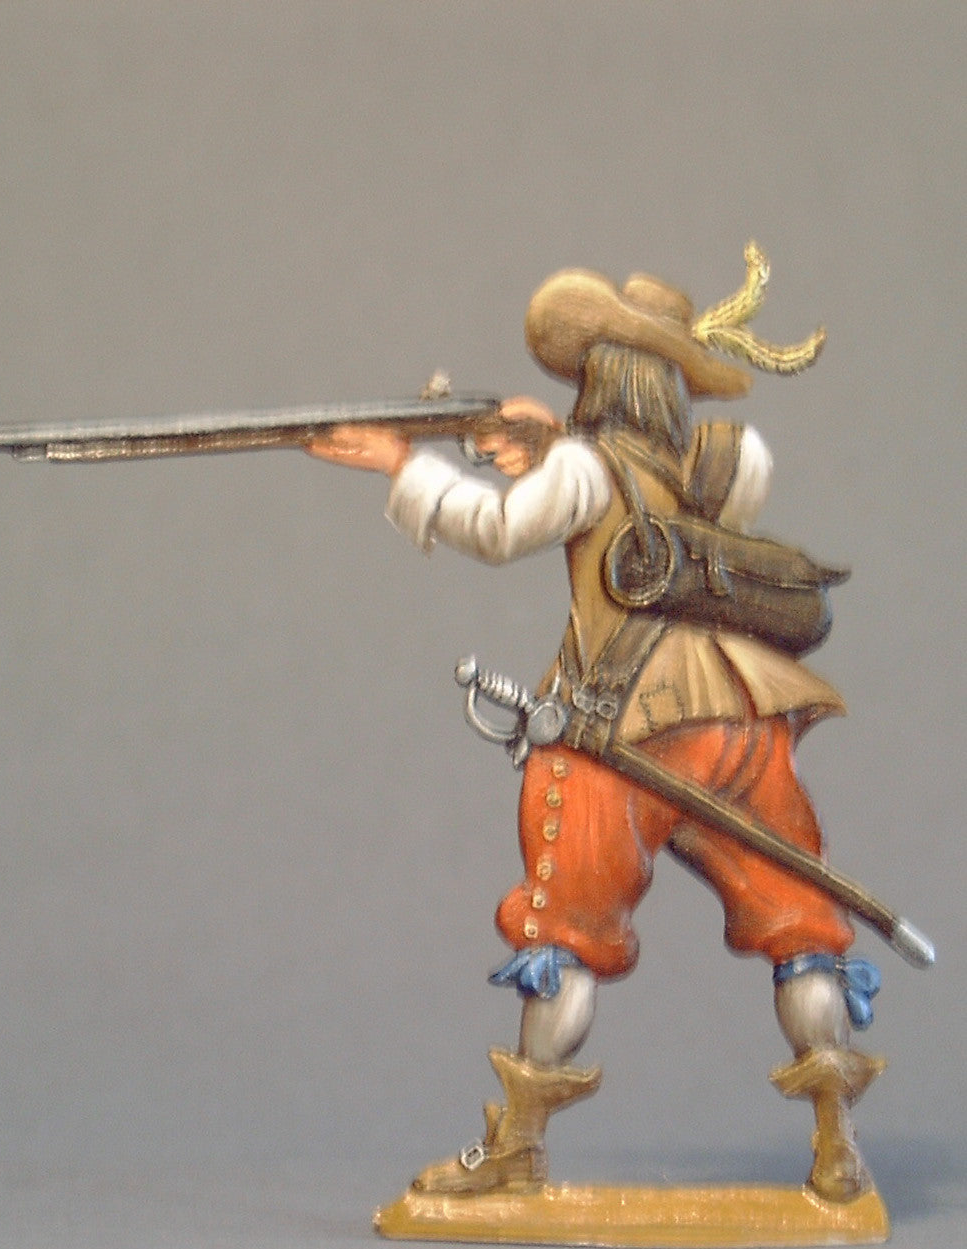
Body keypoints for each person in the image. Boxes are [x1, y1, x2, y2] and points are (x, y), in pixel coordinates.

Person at [308, 246, 883, 1204]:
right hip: (743, 727)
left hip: (624, 736)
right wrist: (548, 446)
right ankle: (836, 1143)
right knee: (801, 922)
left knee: (562, 930)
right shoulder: (726, 460)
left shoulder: (583, 465)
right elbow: (642, 493)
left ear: (600, 378)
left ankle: (518, 1147)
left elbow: (501, 530)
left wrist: (406, 465)